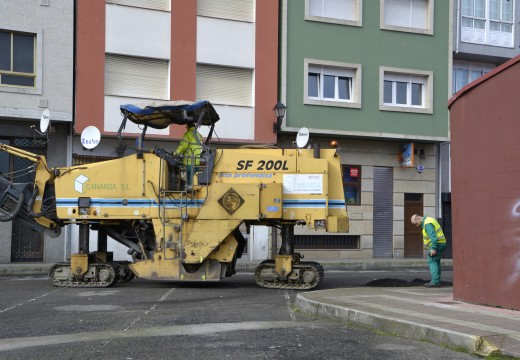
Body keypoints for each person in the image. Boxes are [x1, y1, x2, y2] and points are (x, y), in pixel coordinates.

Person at [410, 214, 447, 288]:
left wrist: (433, 248)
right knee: (436, 261)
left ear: (418, 219)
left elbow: (433, 237)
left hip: (438, 245)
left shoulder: (427, 224)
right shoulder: (428, 220)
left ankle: (435, 282)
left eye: (416, 223)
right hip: (441, 243)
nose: (417, 225)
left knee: (432, 261)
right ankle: (437, 280)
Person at [174, 123, 203, 188]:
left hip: (188, 161)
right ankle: (190, 188)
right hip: (196, 161)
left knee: (185, 177)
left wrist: (176, 153)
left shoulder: (188, 133)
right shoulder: (199, 135)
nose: (186, 127)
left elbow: (183, 145)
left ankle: (186, 189)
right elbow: (201, 148)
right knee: (193, 179)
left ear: (189, 126)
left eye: (186, 126)